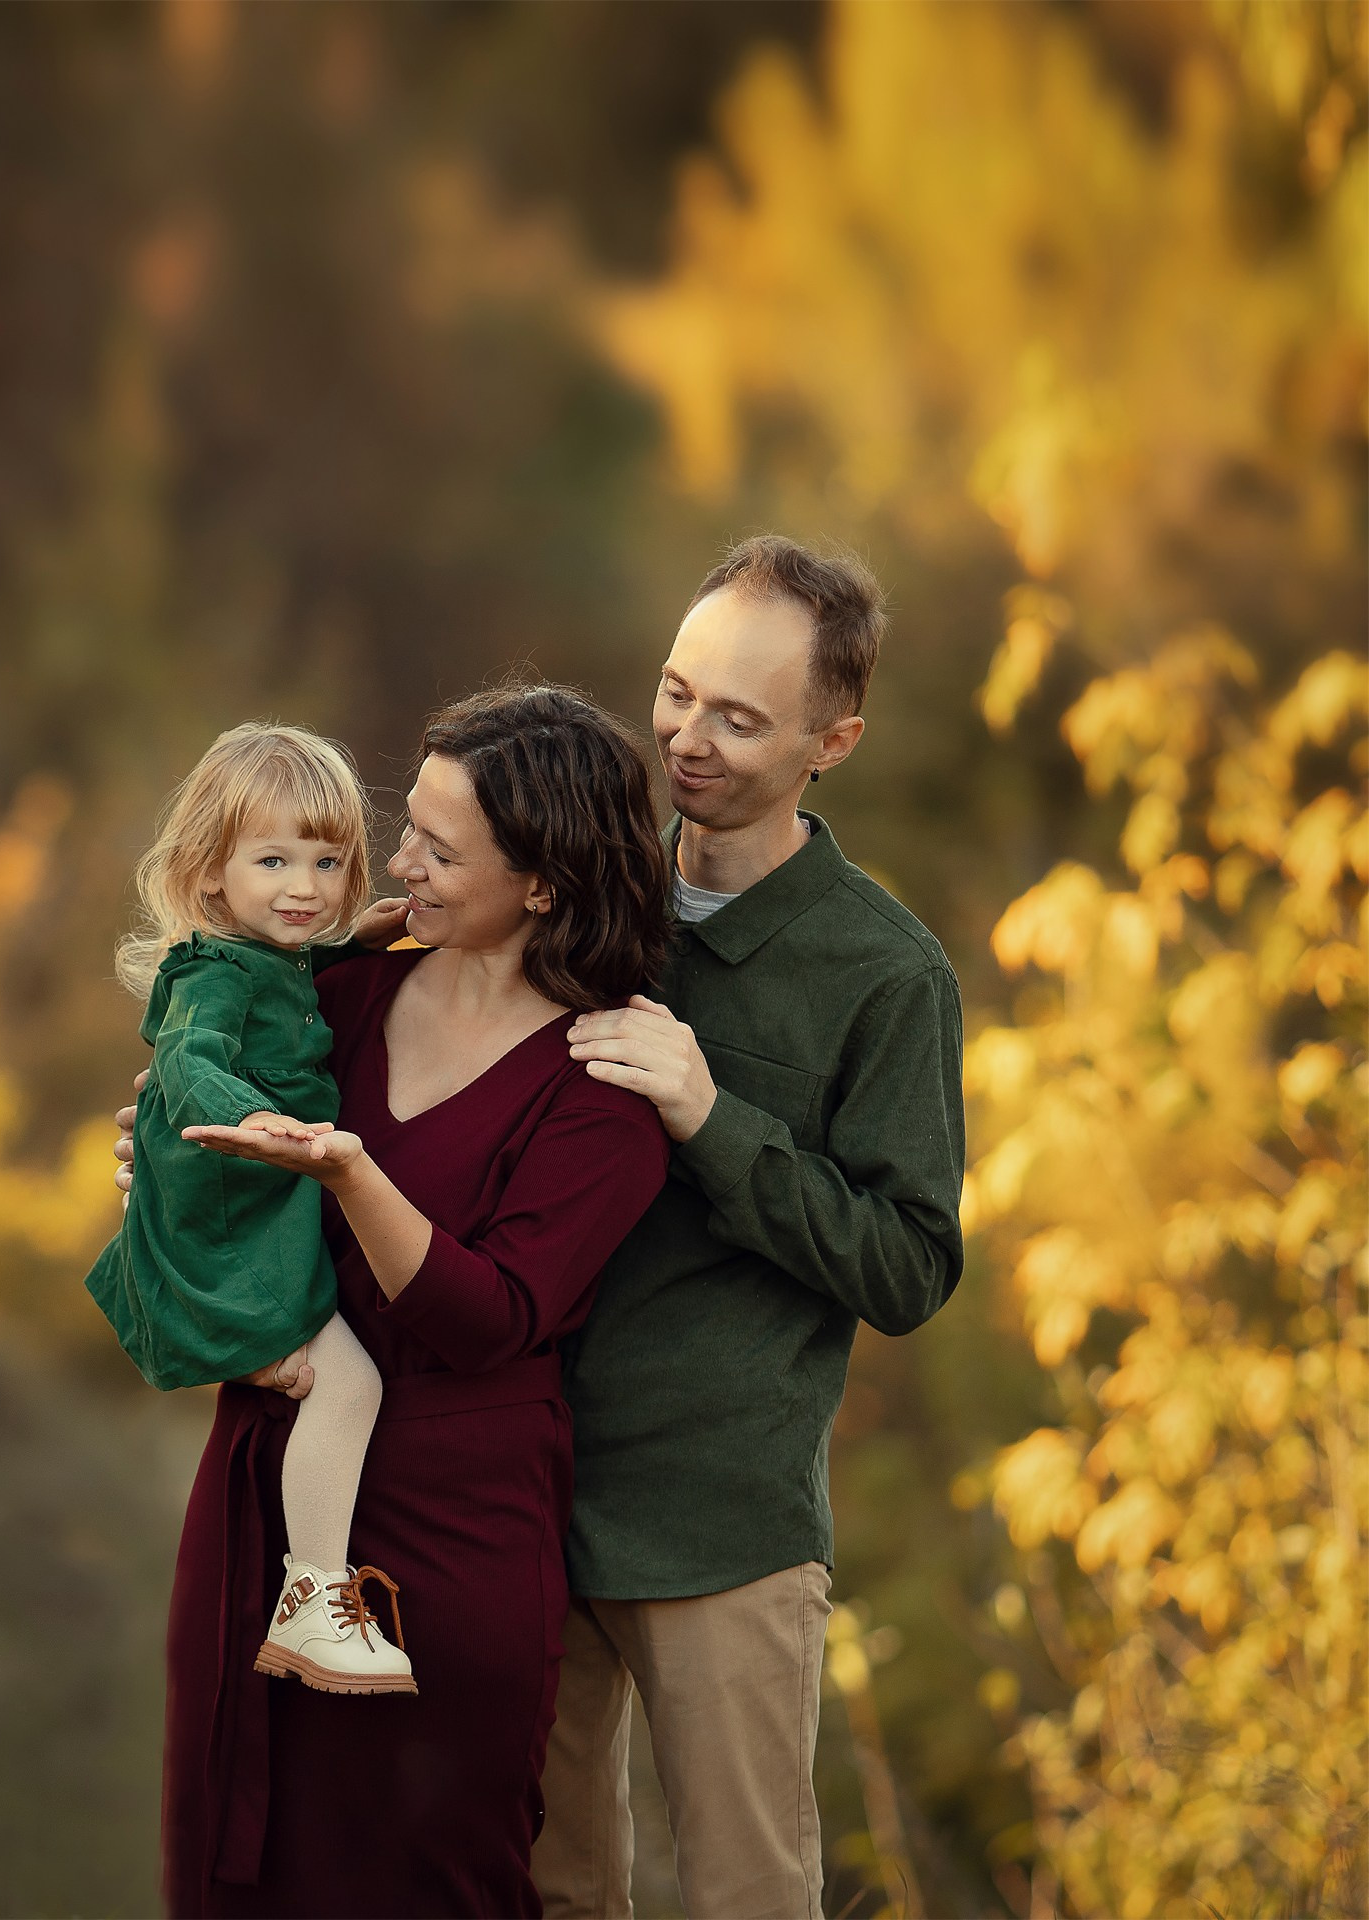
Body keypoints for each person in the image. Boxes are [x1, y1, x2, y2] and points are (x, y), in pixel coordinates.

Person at [136, 685, 675, 1917]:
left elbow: (488, 1320)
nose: (399, 864)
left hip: (450, 1536)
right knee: (240, 1871)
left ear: (539, 884)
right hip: (263, 1496)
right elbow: (203, 1141)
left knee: (426, 1880)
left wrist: (348, 1169)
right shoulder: (343, 999)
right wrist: (162, 1163)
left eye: (440, 845)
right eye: (410, 826)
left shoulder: (602, 1084)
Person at [544, 536, 967, 1919]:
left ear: (833, 739)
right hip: (522, 1490)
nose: (687, 738)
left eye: (739, 715)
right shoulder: (568, 899)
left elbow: (907, 1265)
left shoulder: (887, 974)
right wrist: (209, 1137)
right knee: (530, 1892)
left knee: (748, 1900)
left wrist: (712, 1119)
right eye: (676, 693)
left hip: (723, 1533)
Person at [88, 720, 415, 1695]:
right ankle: (311, 1599)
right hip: (226, 1233)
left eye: (326, 860)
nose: (304, 886)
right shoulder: (214, 977)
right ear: (210, 870)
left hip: (246, 1219)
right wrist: (266, 1123)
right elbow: (188, 1065)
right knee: (347, 1385)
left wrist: (364, 933)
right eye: (272, 859)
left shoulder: (271, 959)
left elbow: (305, 967)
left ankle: (312, 1593)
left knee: (341, 1379)